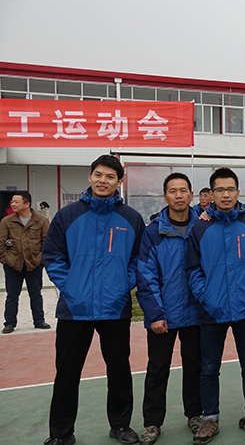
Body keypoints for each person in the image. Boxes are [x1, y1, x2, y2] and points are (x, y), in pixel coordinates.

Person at [42, 154, 145, 445]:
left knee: (119, 370)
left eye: (110, 176)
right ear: (90, 177)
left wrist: (123, 285)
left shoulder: (131, 218)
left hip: (115, 307)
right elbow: (53, 256)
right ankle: (61, 433)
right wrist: (71, 288)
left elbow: (138, 259)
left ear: (119, 181)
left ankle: (120, 425)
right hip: (74, 309)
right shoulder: (67, 215)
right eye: (98, 175)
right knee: (67, 373)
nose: (103, 181)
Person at [185, 168, 245, 444]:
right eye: (220, 190)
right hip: (212, 310)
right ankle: (210, 418)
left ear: (238, 192)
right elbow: (192, 268)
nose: (226, 194)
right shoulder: (200, 227)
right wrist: (206, 296)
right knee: (209, 367)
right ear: (211, 193)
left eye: (231, 189)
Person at [136, 173, 202, 445]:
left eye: (183, 190)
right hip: (164, 315)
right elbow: (145, 275)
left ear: (191, 195)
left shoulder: (203, 227)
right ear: (165, 197)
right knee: (157, 368)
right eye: (173, 191)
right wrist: (155, 314)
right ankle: (152, 423)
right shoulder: (153, 232)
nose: (178, 195)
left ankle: (195, 415)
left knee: (195, 367)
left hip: (197, 314)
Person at [1, 191, 50, 334]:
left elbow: (46, 242)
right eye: (12, 202)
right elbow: (1, 243)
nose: (13, 204)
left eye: (16, 202)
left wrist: (40, 259)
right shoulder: (7, 222)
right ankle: (9, 323)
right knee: (12, 296)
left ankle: (39, 320)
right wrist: (6, 259)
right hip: (13, 265)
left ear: (27, 204)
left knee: (36, 294)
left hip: (34, 264)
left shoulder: (41, 221)